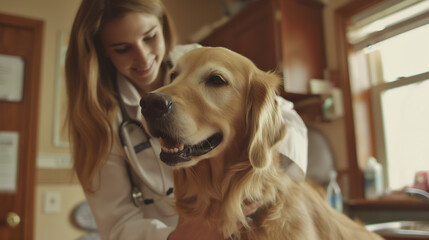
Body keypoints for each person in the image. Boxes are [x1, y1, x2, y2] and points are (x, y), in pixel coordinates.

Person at [65, 0, 308, 239]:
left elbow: (282, 115)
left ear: (163, 26)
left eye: (150, 36)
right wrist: (180, 236)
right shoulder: (95, 121)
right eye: (122, 48)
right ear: (103, 52)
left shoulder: (196, 58)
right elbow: (117, 225)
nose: (143, 57)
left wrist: (262, 178)